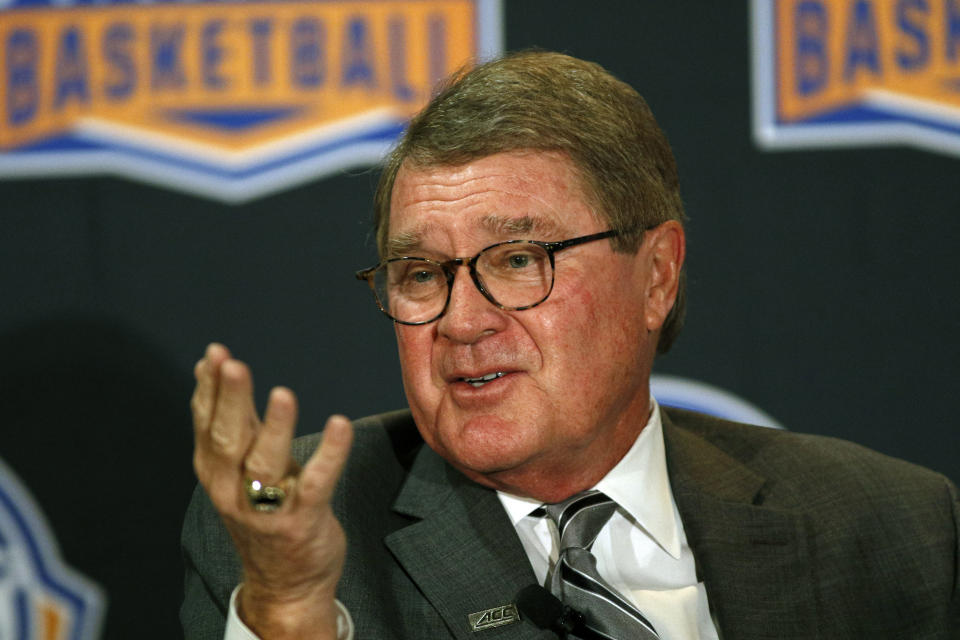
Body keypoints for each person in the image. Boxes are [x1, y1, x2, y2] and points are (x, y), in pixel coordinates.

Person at [181, 51, 959, 639]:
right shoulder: (291, 544)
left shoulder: (894, 531)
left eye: (519, 260)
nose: (461, 321)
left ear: (656, 277)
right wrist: (288, 609)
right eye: (420, 273)